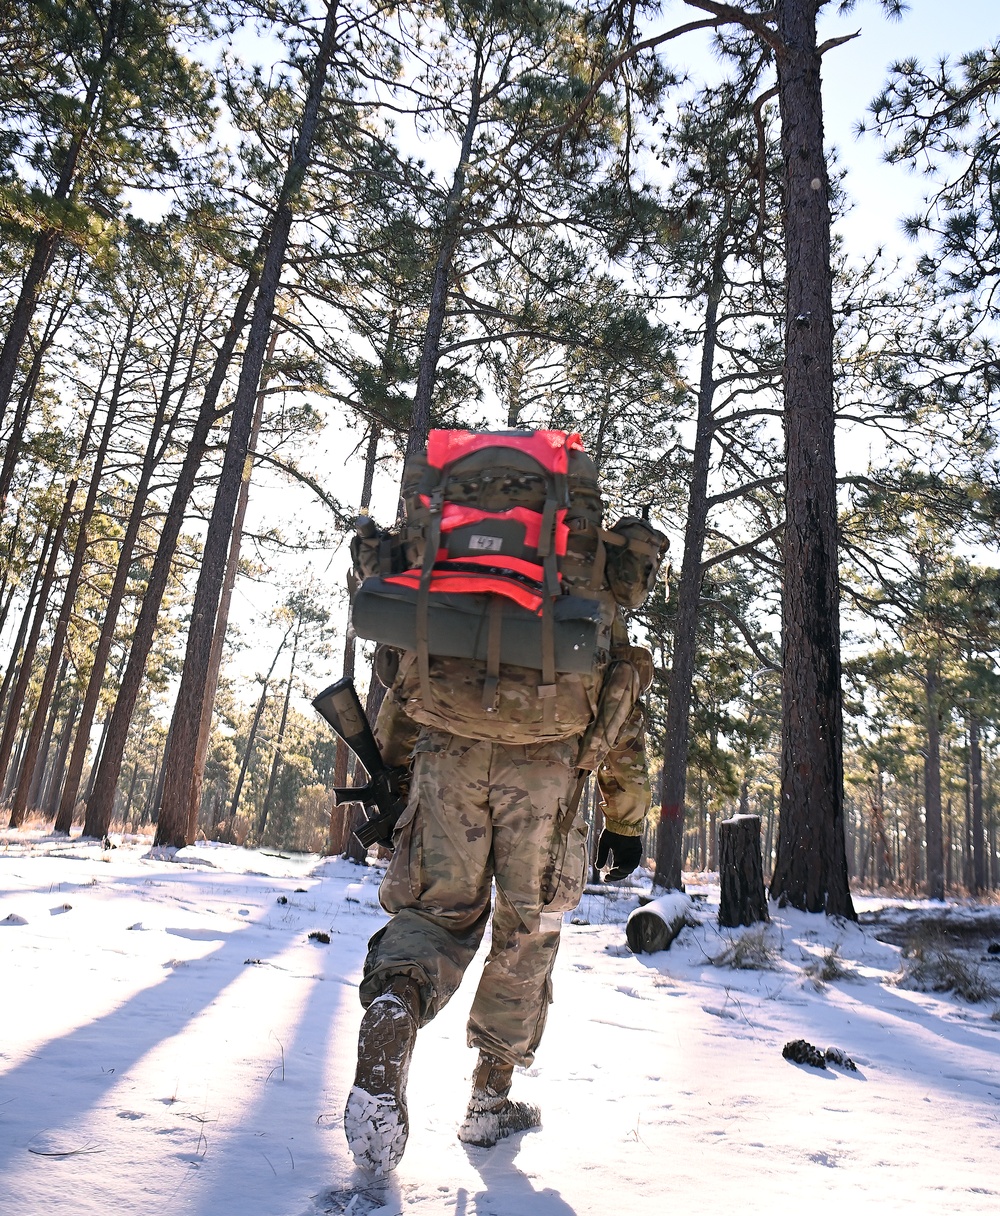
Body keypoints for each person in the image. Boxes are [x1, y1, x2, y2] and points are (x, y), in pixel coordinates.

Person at [342, 627, 653, 1177]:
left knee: (432, 913)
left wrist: (393, 765)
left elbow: (411, 676)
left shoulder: (462, 560)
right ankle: (489, 1100)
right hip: (549, 774)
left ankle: (397, 1004)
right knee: (527, 932)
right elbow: (618, 697)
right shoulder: (580, 569)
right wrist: (625, 817)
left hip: (447, 757)